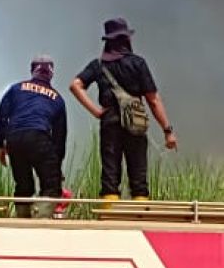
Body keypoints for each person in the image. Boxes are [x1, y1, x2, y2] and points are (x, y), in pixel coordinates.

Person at [70, 17, 177, 202]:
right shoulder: (138, 63)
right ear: (126, 39)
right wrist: (167, 130)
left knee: (110, 176)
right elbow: (153, 100)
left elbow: (75, 85)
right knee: (138, 174)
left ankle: (110, 221)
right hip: (135, 119)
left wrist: (96, 111)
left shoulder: (98, 65)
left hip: (109, 119)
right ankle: (140, 217)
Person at [0, 54, 67, 218]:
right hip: (39, 137)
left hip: (14, 138)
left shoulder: (16, 88)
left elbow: (1, 116)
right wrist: (57, 166)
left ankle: (22, 222)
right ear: (51, 73)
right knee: (51, 185)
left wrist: (0, 144)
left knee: (23, 184)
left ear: (32, 71)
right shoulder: (57, 99)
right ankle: (40, 223)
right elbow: (59, 138)